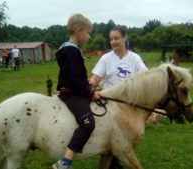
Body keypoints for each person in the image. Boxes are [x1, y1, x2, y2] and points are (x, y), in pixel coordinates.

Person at [89, 26, 148, 169]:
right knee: (114, 134)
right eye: (111, 39)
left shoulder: (134, 58)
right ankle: (114, 159)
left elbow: (145, 77)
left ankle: (113, 159)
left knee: (125, 135)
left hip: (129, 104)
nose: (113, 42)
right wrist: (87, 84)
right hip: (110, 104)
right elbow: (96, 77)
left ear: (124, 38)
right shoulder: (106, 58)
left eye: (116, 38)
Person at [51, 13, 100, 169]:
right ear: (79, 30)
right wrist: (90, 94)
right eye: (87, 32)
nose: (89, 36)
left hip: (73, 89)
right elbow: (72, 80)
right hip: (71, 94)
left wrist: (85, 82)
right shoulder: (72, 51)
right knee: (88, 123)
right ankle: (65, 162)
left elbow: (73, 75)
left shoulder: (68, 49)